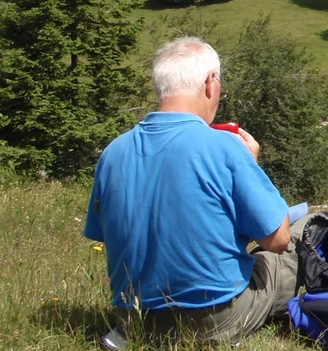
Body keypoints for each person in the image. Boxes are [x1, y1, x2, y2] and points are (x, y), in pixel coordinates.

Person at [84, 37, 309, 346]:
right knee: (304, 231)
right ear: (209, 83)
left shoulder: (112, 153)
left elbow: (105, 235)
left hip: (132, 322)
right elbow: (277, 239)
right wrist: (250, 165)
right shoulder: (224, 147)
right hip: (213, 320)